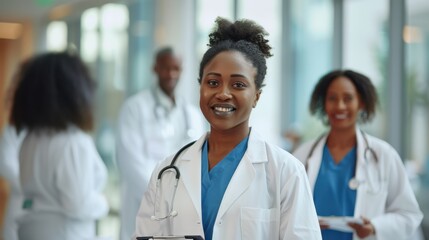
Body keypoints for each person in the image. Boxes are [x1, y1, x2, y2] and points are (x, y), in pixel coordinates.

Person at [132, 17, 322, 240]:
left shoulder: (286, 172)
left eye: (238, 85)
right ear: (200, 87)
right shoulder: (167, 171)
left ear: (256, 96)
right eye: (212, 82)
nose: (223, 93)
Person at [293, 69, 423, 240]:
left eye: (348, 98)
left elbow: (408, 214)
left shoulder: (384, 155)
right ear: (324, 103)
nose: (340, 106)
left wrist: (375, 227)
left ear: (361, 103)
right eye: (332, 98)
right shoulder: (302, 155)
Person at [10, 51, 109, 240]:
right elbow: (77, 204)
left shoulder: (30, 138)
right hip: (64, 232)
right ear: (76, 92)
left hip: (29, 230)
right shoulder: (73, 141)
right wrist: (103, 203)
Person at [116, 46, 206, 240]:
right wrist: (161, 198)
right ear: (155, 68)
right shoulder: (135, 108)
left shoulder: (192, 114)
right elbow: (130, 163)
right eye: (165, 68)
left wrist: (177, 200)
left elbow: (197, 162)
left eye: (176, 68)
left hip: (181, 210)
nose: (171, 74)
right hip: (143, 204)